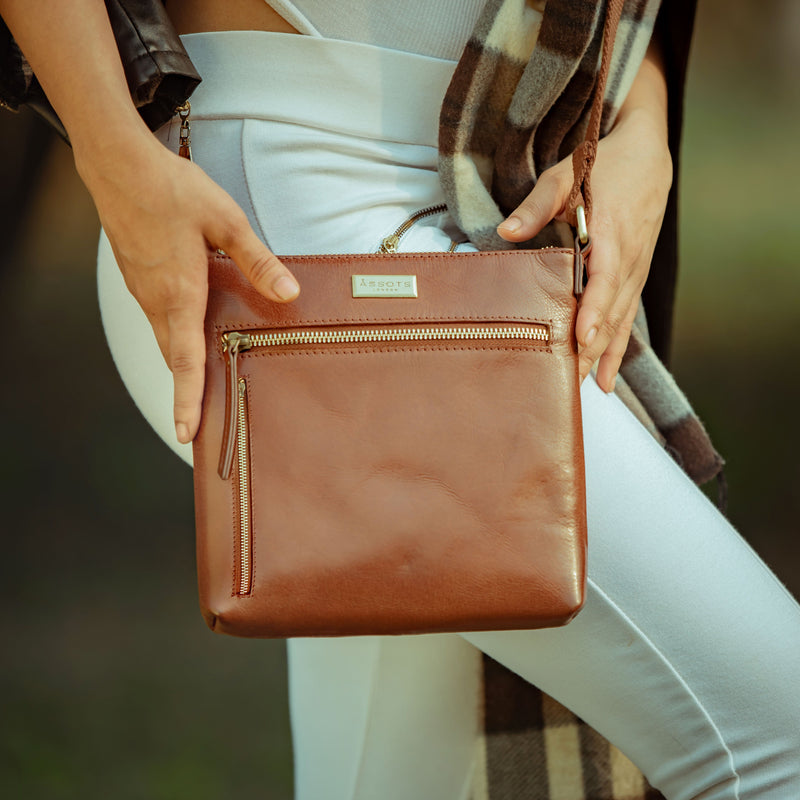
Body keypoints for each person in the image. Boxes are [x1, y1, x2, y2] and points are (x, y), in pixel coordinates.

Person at [2, 1, 799, 798]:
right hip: (285, 210)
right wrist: (110, 152)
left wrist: (637, 125)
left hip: (482, 204)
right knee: (777, 741)